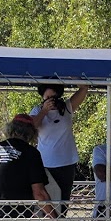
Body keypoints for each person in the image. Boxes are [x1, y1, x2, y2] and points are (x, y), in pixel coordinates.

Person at [31, 82, 89, 210]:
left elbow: (84, 88)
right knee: (44, 201)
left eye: (54, 98)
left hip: (66, 163)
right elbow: (30, 128)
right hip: (44, 165)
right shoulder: (37, 110)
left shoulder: (67, 107)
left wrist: (69, 75)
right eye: (47, 98)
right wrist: (44, 111)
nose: (51, 101)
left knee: (62, 201)